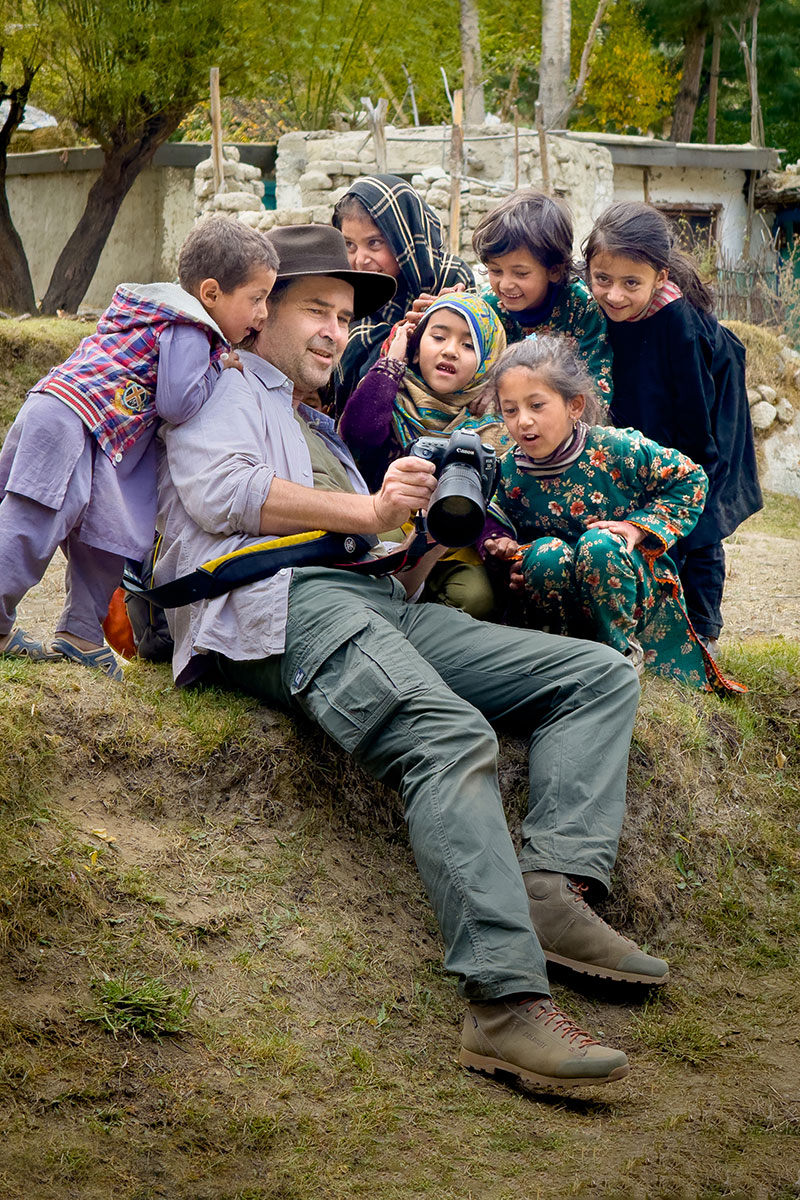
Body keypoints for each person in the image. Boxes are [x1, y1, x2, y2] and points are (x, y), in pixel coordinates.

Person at [155, 223, 669, 1095]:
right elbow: (221, 495)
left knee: (593, 675)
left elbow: (366, 544)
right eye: (313, 307)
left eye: (342, 315)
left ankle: (554, 886)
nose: (331, 329)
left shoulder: (303, 410)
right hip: (275, 608)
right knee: (447, 735)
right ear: (253, 310)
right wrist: (366, 514)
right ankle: (504, 1006)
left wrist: (418, 533)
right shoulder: (217, 384)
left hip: (373, 599)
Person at [0, 215, 278, 679]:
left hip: (88, 423)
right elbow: (177, 402)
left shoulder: (155, 310)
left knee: (107, 535)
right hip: (75, 418)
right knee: (36, 519)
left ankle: (82, 633)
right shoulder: (192, 327)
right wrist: (221, 369)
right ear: (210, 294)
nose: (263, 313)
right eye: (256, 299)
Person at [480, 338, 742, 693]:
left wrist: (637, 530)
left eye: (537, 405)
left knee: (600, 546)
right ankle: (562, 660)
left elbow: (691, 479)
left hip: (628, 587)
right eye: (510, 410)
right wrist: (512, 556)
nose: (523, 421)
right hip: (557, 600)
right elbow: (496, 522)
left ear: (574, 406)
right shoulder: (509, 472)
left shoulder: (618, 449)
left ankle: (620, 657)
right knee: (544, 555)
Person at [583, 202, 763, 655]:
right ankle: (651, 611)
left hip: (704, 415)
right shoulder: (599, 303)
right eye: (602, 279)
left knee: (700, 517)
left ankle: (703, 629)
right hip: (654, 404)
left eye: (630, 283)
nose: (614, 295)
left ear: (660, 278)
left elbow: (694, 416)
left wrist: (692, 478)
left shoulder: (679, 323)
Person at [338, 293, 507, 618]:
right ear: (416, 348)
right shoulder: (390, 395)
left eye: (469, 345)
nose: (449, 350)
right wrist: (394, 359)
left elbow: (499, 501)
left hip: (455, 546)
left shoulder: (494, 425)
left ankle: (423, 632)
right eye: (438, 336)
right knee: (372, 562)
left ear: (487, 362)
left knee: (475, 599)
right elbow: (358, 431)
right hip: (388, 524)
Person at [331, 174, 475, 409]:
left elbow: (477, 357)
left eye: (375, 243)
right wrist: (399, 336)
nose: (360, 260)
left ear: (403, 238)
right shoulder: (348, 291)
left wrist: (441, 318)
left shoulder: (452, 277)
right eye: (349, 245)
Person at [473, 189, 613, 408]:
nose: (505, 284)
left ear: (555, 270)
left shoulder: (580, 307)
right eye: (495, 271)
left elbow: (595, 385)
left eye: (520, 273)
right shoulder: (486, 309)